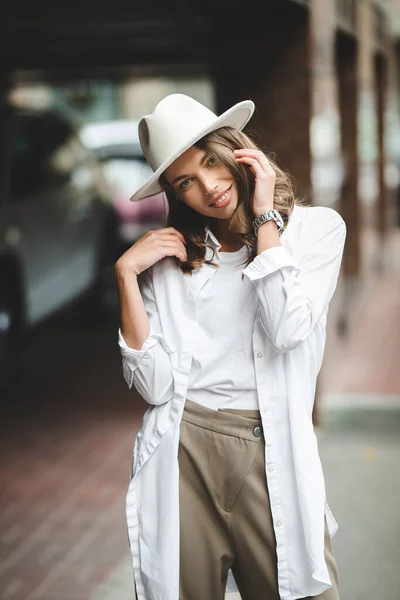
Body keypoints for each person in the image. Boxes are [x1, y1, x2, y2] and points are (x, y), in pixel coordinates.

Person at [114, 93, 346, 600]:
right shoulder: (172, 259)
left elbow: (287, 330)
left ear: (236, 149)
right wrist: (127, 276)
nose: (209, 188)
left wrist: (264, 218)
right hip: (184, 449)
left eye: (211, 163)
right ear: (175, 195)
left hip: (270, 444)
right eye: (185, 183)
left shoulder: (316, 230)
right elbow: (154, 387)